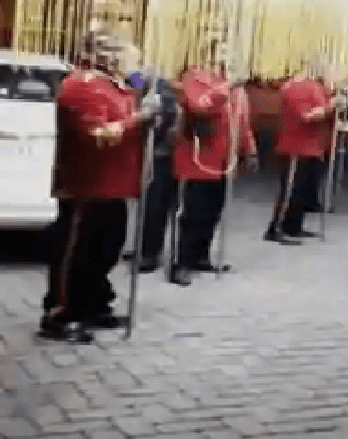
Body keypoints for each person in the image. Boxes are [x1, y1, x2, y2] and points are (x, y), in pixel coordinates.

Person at [40, 31, 161, 342]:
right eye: (129, 57)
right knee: (76, 252)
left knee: (105, 251)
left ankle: (92, 304)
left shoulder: (115, 85)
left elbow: (138, 84)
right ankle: (61, 313)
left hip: (114, 185)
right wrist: (139, 119)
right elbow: (98, 135)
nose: (134, 64)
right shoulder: (81, 87)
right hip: (86, 186)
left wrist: (151, 88)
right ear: (107, 57)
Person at [169, 37, 257, 285]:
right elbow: (200, 106)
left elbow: (242, 121)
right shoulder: (196, 78)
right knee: (193, 213)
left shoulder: (235, 87)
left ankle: (201, 255)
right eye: (223, 51)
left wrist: (249, 150)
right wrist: (227, 87)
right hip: (199, 156)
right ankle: (182, 262)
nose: (228, 57)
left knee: (213, 211)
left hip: (224, 160)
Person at [266, 59, 345, 243]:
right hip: (296, 147)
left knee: (302, 191)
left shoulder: (316, 87)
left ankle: (293, 226)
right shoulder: (297, 87)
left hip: (312, 147)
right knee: (291, 191)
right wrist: (330, 106)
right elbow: (307, 116)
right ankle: (276, 228)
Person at [123, 63, 180, 274]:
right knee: (147, 206)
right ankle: (143, 248)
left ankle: (150, 253)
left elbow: (162, 125)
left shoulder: (161, 94)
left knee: (154, 207)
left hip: (160, 157)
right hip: (152, 155)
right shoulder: (154, 88)